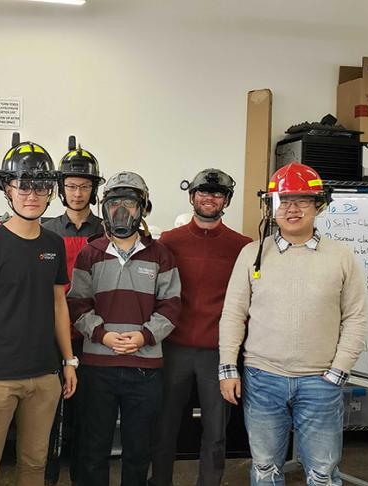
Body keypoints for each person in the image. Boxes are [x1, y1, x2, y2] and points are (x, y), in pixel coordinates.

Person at [218, 162, 367, 486]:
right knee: (265, 468)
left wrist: (338, 371)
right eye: (283, 200)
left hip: (320, 382)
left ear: (319, 204)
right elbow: (233, 313)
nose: (292, 208)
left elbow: (355, 316)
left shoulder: (341, 257)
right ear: (271, 207)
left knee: (323, 474)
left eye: (302, 200)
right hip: (261, 379)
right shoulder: (252, 254)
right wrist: (228, 367)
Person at [0, 141, 78, 486]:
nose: (32, 195)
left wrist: (69, 362)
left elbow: (59, 304)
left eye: (41, 186)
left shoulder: (53, 245)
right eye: (23, 185)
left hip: (45, 377)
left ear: (51, 191)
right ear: (8, 188)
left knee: (34, 463)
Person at [68, 171, 181, 486]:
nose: (121, 211)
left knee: (137, 450)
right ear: (104, 208)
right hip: (97, 368)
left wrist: (144, 336)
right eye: (114, 203)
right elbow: (77, 303)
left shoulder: (161, 255)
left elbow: (171, 306)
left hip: (144, 370)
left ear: (142, 208)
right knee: (93, 448)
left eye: (129, 203)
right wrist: (101, 334)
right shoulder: (90, 253)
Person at [151, 169, 252, 486]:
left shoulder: (243, 246)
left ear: (226, 200)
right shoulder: (169, 241)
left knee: (216, 430)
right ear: (192, 196)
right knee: (165, 426)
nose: (209, 198)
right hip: (174, 348)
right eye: (203, 192)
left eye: (217, 193)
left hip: (219, 354)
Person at [41, 146, 105, 485]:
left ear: (93, 189)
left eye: (83, 186)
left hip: (95, 337)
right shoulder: (46, 230)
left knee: (89, 419)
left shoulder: (107, 232)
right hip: (53, 336)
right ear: (60, 188)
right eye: (71, 186)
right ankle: (48, 478)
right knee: (48, 418)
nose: (77, 193)